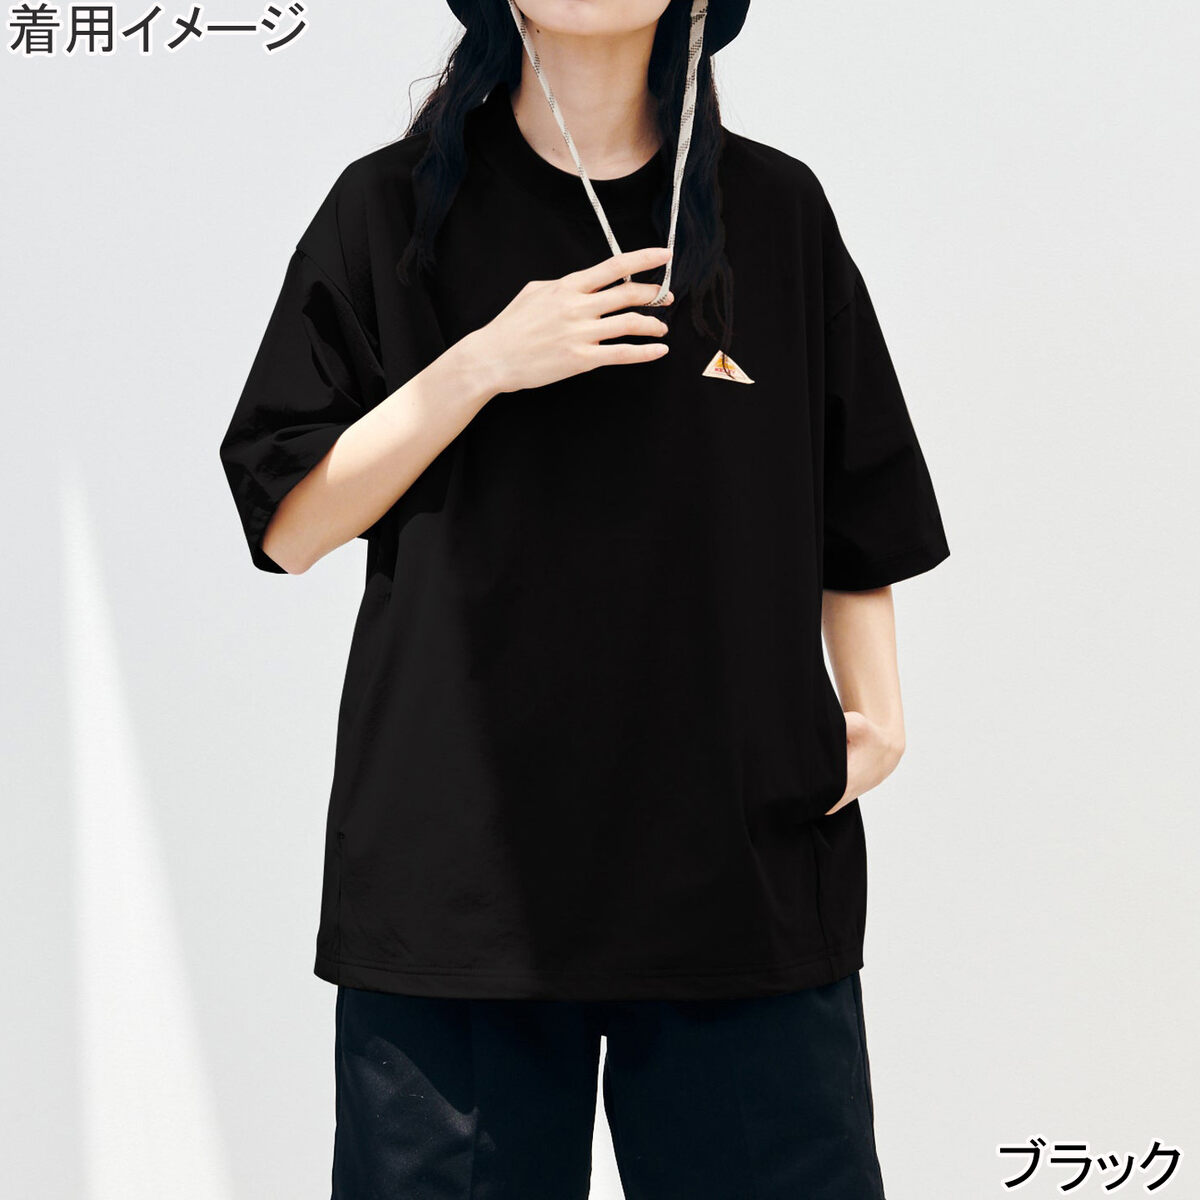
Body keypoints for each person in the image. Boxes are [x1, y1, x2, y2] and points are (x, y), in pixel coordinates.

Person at [217, 0, 950, 1195]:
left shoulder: (775, 211)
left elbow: (854, 491)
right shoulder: (390, 208)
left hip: (736, 865)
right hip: (458, 878)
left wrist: (878, 714)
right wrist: (481, 364)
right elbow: (291, 523)